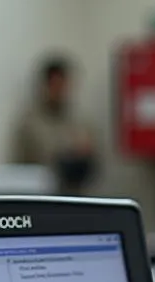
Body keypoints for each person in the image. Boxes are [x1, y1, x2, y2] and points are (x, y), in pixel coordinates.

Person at [12, 56, 97, 194]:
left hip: (75, 196)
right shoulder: (30, 123)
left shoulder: (80, 121)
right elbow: (20, 165)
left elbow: (93, 161)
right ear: (45, 86)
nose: (60, 91)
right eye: (55, 85)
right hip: (39, 197)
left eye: (63, 85)